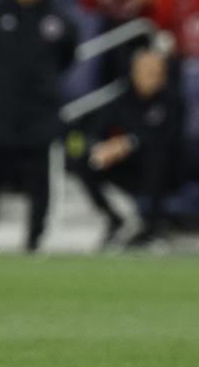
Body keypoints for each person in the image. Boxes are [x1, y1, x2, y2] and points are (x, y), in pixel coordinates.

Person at [0, 0, 78, 252]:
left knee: (39, 179)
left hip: (39, 112)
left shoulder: (58, 18)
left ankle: (34, 238)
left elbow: (67, 56)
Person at [72, 49, 183, 246]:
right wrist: (100, 147)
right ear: (134, 72)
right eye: (145, 70)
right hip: (127, 167)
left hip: (167, 167)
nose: (151, 76)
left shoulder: (173, 99)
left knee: (156, 155)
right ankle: (114, 219)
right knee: (82, 159)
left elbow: (167, 137)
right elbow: (97, 128)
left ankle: (152, 226)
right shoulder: (123, 98)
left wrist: (128, 144)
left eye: (155, 71)